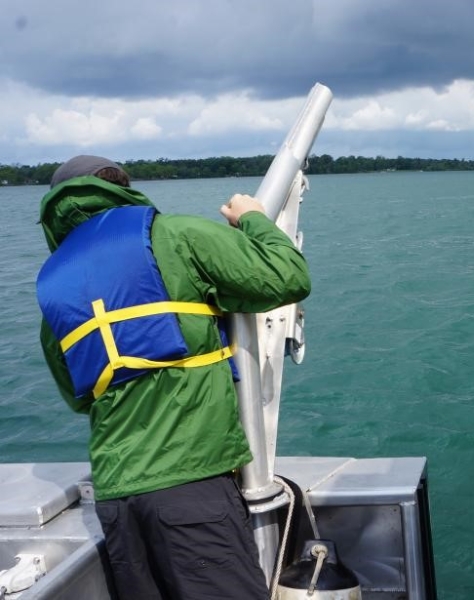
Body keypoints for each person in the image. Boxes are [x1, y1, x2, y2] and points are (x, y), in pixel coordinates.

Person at [36, 155, 311, 599]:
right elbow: (286, 278)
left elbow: (77, 395)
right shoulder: (174, 235)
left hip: (117, 497)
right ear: (123, 188)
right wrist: (256, 220)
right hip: (190, 483)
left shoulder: (53, 283)